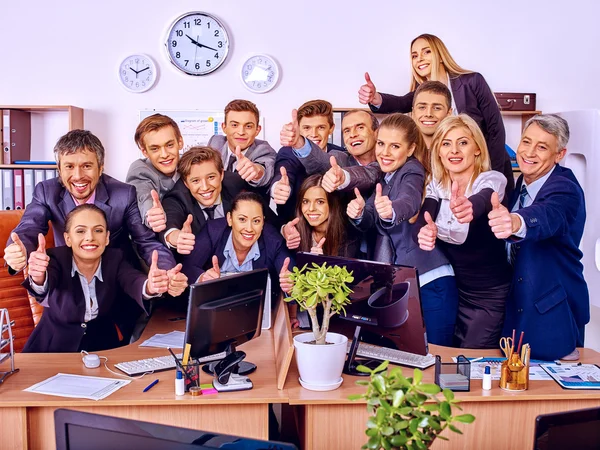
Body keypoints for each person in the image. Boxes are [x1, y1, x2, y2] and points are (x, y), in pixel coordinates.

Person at [346, 113, 459, 346]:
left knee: (438, 351)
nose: (385, 152)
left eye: (395, 146)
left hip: (432, 281)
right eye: (381, 144)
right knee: (409, 352)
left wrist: (392, 211)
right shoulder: (384, 178)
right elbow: (369, 216)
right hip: (407, 282)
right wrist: (358, 212)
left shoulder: (412, 170)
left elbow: (409, 199)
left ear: (410, 149)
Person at [358, 33, 514, 196]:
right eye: (414, 55)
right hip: (449, 169)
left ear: (440, 56)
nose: (420, 59)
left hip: (484, 165)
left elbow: (496, 129)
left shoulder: (472, 81)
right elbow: (401, 102)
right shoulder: (422, 92)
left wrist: (491, 174)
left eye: (426, 52)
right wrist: (376, 98)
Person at [3, 130, 176, 274]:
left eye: (87, 166)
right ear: (59, 169)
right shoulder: (46, 192)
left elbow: (146, 242)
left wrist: (167, 271)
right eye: (69, 166)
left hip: (118, 285)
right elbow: (29, 228)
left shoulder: (124, 194)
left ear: (100, 168)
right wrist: (20, 251)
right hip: (68, 286)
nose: (78, 176)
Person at [488, 114, 589, 361]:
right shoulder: (521, 182)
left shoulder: (565, 188)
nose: (529, 152)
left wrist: (516, 221)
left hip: (553, 316)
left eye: (542, 147)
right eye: (526, 142)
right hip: (519, 310)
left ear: (559, 155)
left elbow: (548, 214)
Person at [21, 204, 188, 353]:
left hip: (103, 350)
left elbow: (133, 280)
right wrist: (38, 276)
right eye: (80, 231)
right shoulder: (55, 258)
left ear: (107, 237)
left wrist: (151, 286)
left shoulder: (115, 259)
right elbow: (44, 283)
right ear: (67, 239)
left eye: (98, 230)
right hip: (52, 350)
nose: (90, 237)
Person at [417, 114, 511, 348]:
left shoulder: (491, 179)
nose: (454, 150)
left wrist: (470, 206)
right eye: (446, 143)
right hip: (454, 293)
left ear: (477, 149)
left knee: (470, 361)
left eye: (463, 142)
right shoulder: (436, 184)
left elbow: (485, 199)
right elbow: (425, 217)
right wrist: (424, 232)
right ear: (438, 151)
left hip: (488, 296)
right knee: (449, 360)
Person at [179, 192, 294, 307]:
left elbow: (292, 278)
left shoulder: (273, 241)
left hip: (254, 311)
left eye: (256, 221)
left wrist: (290, 288)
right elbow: (188, 267)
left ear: (263, 222)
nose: (249, 228)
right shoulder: (212, 231)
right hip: (213, 307)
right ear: (230, 218)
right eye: (242, 219)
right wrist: (202, 278)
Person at [160, 147, 270, 255]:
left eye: (211, 177)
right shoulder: (178, 197)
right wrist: (176, 237)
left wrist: (284, 229)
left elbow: (268, 218)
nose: (205, 187)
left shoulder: (237, 184)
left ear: (221, 174)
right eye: (196, 181)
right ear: (186, 183)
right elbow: (170, 224)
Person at [270, 100, 343, 223]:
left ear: (331, 129)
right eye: (307, 128)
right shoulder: (287, 152)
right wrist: (278, 188)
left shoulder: (340, 153)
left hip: (335, 231)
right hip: (295, 230)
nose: (313, 134)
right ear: (298, 128)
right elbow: (284, 170)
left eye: (321, 127)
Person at [280, 109, 381, 194]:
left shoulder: (388, 160)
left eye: (360, 127)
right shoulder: (340, 157)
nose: (352, 134)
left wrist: (345, 177)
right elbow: (321, 161)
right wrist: (299, 142)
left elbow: (371, 173)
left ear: (376, 133)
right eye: (347, 130)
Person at [126, 114, 183, 232]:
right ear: (144, 151)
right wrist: (152, 214)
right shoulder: (140, 171)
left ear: (180, 142)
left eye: (170, 145)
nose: (164, 154)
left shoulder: (188, 164)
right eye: (155, 149)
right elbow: (144, 195)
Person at [281, 174, 359, 258]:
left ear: (332, 204)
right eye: (305, 201)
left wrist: (321, 263)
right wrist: (283, 230)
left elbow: (347, 270)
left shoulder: (348, 238)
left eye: (320, 202)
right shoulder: (296, 232)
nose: (311, 209)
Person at [208, 99, 276, 189]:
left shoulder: (264, 150)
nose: (241, 132)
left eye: (248, 126)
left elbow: (264, 169)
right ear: (224, 127)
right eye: (234, 125)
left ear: (257, 130)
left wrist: (256, 172)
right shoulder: (215, 142)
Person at [411, 81, 453, 150]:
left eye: (437, 108)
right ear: (413, 112)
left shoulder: (455, 153)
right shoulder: (400, 152)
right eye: (422, 107)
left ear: (449, 113)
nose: (428, 114)